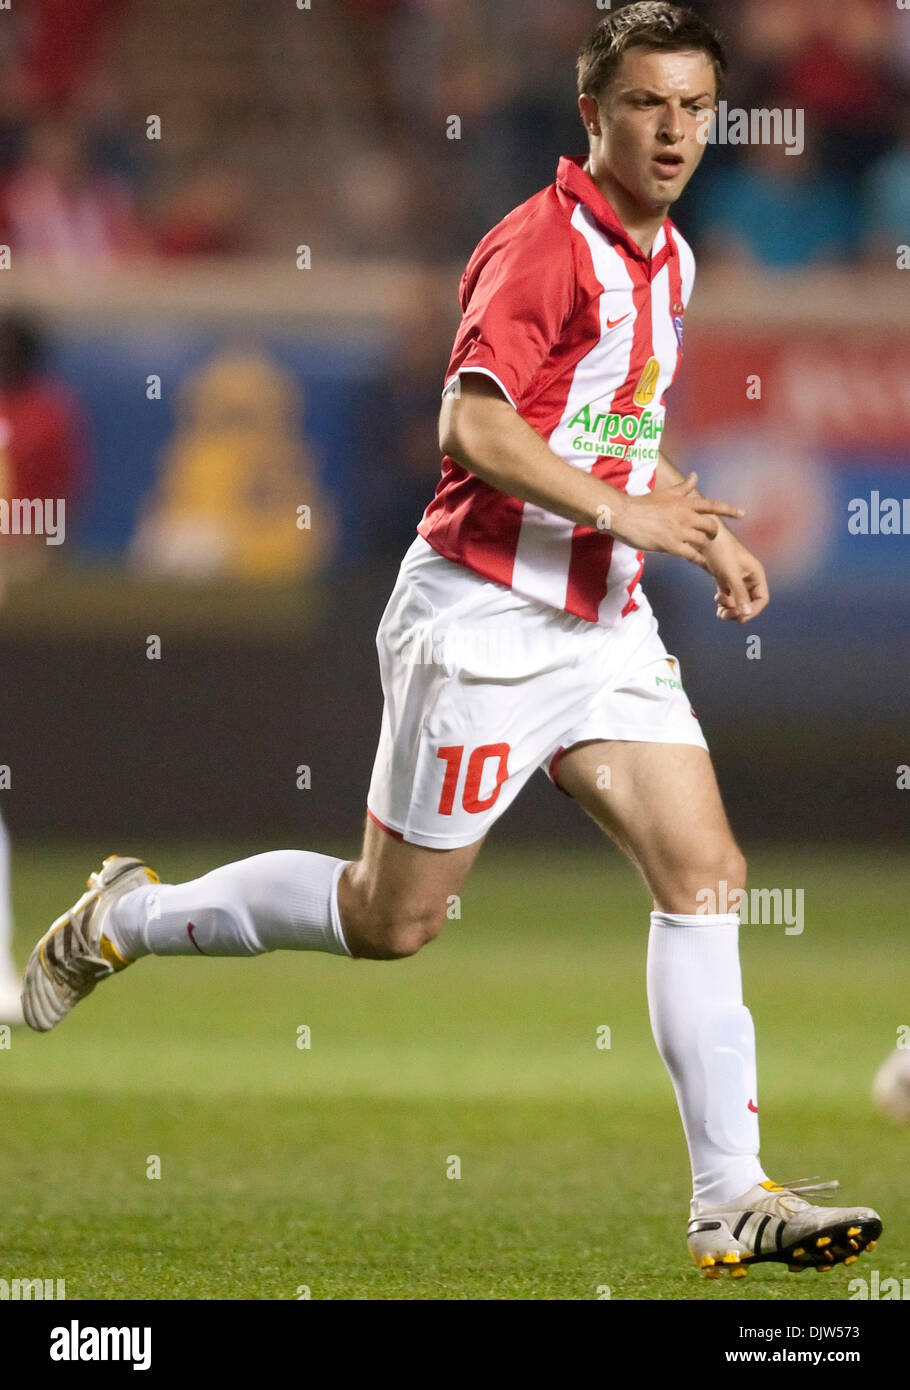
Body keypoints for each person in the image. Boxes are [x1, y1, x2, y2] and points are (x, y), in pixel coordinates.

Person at [21, 2, 881, 1278]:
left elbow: (613, 425)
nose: (676, 131)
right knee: (391, 919)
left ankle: (727, 1194)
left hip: (603, 620)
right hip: (479, 615)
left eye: (696, 107)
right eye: (647, 104)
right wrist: (624, 508)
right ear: (593, 114)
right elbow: (471, 428)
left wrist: (690, 520)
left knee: (703, 870)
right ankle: (127, 917)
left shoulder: (675, 259)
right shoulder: (540, 248)